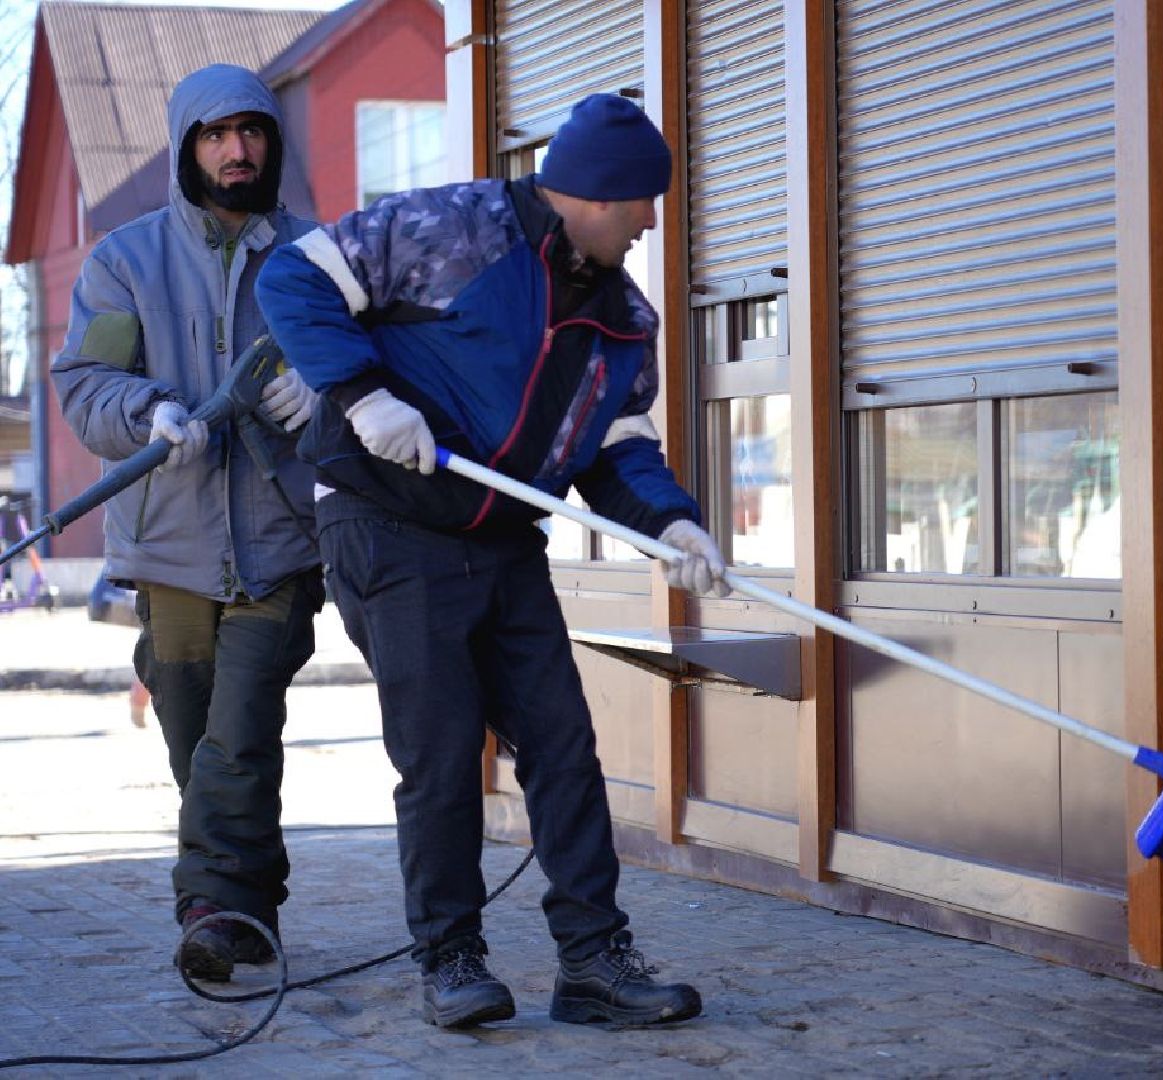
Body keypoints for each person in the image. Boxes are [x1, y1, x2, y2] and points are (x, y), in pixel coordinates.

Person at [255, 92, 728, 1030]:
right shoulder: (450, 230)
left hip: (502, 534)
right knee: (439, 751)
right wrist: (361, 396)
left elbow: (617, 452)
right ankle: (451, 960)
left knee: (561, 744)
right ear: (594, 195)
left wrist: (672, 525)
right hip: (387, 519)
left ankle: (593, 963)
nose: (648, 223)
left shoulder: (625, 322)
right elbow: (293, 279)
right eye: (641, 204)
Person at [50, 64, 323, 982]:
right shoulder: (123, 262)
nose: (235, 150)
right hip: (167, 545)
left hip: (282, 540)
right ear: (184, 147)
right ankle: (247, 900)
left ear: (272, 143)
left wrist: (316, 394)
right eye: (214, 135)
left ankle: (209, 911)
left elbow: (372, 375)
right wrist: (149, 411)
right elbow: (86, 387)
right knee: (194, 736)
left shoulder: (315, 258)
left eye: (250, 132)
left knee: (239, 728)